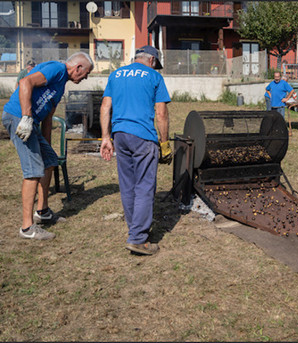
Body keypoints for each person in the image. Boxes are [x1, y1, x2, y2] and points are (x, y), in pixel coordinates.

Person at [2, 52, 94, 240]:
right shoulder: (57, 69)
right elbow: (25, 83)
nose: (86, 77)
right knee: (33, 171)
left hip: (31, 122)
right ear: (78, 68)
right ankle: (27, 228)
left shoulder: (61, 85)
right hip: (18, 117)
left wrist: (47, 147)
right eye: (86, 73)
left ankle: (42, 211)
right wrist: (27, 117)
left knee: (49, 160)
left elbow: (48, 117)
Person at [100, 45, 172, 256]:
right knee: (144, 186)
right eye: (156, 65)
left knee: (128, 184)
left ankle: (134, 230)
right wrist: (165, 143)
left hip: (120, 135)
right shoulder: (154, 77)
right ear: (151, 61)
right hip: (143, 137)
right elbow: (161, 114)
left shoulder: (116, 74)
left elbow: (105, 106)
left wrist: (106, 137)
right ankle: (138, 239)